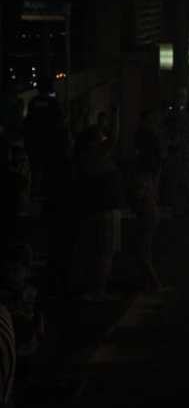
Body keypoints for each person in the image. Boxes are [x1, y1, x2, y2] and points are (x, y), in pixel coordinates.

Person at [75, 127, 124, 302]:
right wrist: (115, 117)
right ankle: (98, 291)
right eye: (100, 139)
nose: (104, 141)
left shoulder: (87, 159)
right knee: (104, 253)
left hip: (97, 211)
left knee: (97, 252)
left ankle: (94, 288)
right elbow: (113, 138)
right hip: (105, 212)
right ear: (93, 143)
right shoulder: (95, 158)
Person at [131, 110, 165, 292]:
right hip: (150, 210)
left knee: (142, 251)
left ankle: (154, 283)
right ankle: (148, 282)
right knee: (144, 250)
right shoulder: (152, 169)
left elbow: (138, 194)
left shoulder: (141, 172)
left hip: (147, 212)